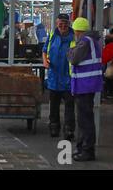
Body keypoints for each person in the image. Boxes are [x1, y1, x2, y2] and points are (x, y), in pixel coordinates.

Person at [68, 17, 103, 162]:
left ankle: (87, 151)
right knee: (84, 119)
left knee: (85, 120)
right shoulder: (92, 41)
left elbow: (73, 58)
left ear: (78, 31)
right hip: (87, 85)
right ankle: (82, 148)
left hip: (85, 85)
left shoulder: (85, 41)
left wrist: (70, 51)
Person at [42, 13, 76, 140]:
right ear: (57, 24)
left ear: (69, 24)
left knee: (69, 107)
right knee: (54, 106)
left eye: (65, 24)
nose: (62, 26)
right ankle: (54, 127)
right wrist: (45, 61)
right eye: (60, 24)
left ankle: (68, 130)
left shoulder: (74, 38)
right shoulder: (52, 35)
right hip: (54, 78)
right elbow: (45, 51)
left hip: (68, 78)